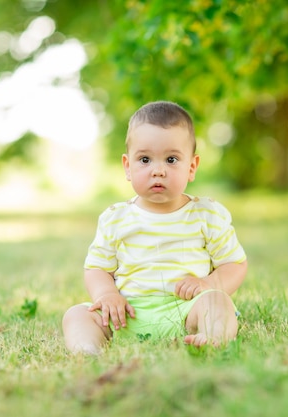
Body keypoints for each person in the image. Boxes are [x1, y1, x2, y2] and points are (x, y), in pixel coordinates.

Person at [62, 101, 247, 354]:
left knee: (217, 302)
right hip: (127, 313)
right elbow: (96, 267)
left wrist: (209, 283)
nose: (158, 171)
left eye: (171, 160)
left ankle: (212, 338)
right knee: (77, 314)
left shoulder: (207, 215)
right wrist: (107, 294)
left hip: (187, 308)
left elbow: (234, 263)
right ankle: (88, 350)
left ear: (191, 167)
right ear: (128, 166)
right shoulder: (115, 218)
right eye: (145, 159)